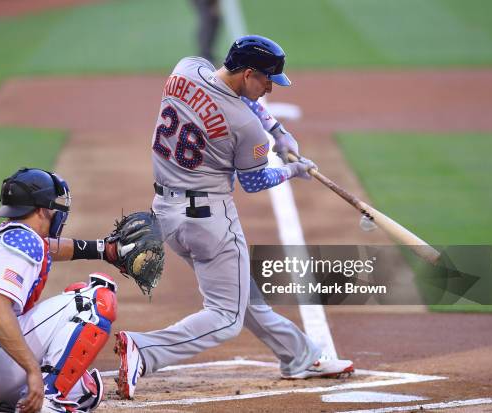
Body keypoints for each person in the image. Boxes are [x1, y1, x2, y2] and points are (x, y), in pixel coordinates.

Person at [114, 35, 354, 399]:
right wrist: (295, 169)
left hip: (165, 213)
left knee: (242, 293)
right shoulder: (245, 125)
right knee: (226, 317)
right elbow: (255, 180)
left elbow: (232, 97)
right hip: (210, 222)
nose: (270, 87)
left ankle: (300, 357)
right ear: (246, 74)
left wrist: (278, 130)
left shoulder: (186, 69)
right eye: (266, 79)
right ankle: (144, 351)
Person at [0, 167, 137, 413]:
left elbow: (49, 247)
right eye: (54, 206)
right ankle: (49, 401)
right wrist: (33, 372)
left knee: (85, 390)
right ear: (43, 209)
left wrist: (102, 250)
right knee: (93, 300)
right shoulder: (25, 242)